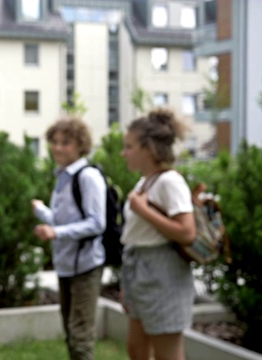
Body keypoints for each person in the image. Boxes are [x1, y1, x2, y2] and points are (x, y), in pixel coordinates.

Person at [119, 108, 196, 360]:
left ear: (149, 149)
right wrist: (127, 284)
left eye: (129, 147)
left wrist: (142, 210)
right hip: (140, 269)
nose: (124, 153)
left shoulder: (169, 182)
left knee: (167, 353)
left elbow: (187, 232)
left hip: (162, 273)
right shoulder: (146, 182)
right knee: (136, 349)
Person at [31, 117, 106, 360]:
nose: (58, 147)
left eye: (66, 143)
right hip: (66, 265)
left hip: (85, 265)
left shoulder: (88, 176)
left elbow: (97, 223)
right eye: (55, 142)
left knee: (80, 335)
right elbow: (65, 221)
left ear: (81, 145)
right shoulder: (63, 177)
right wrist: (44, 214)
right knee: (71, 333)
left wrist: (56, 232)